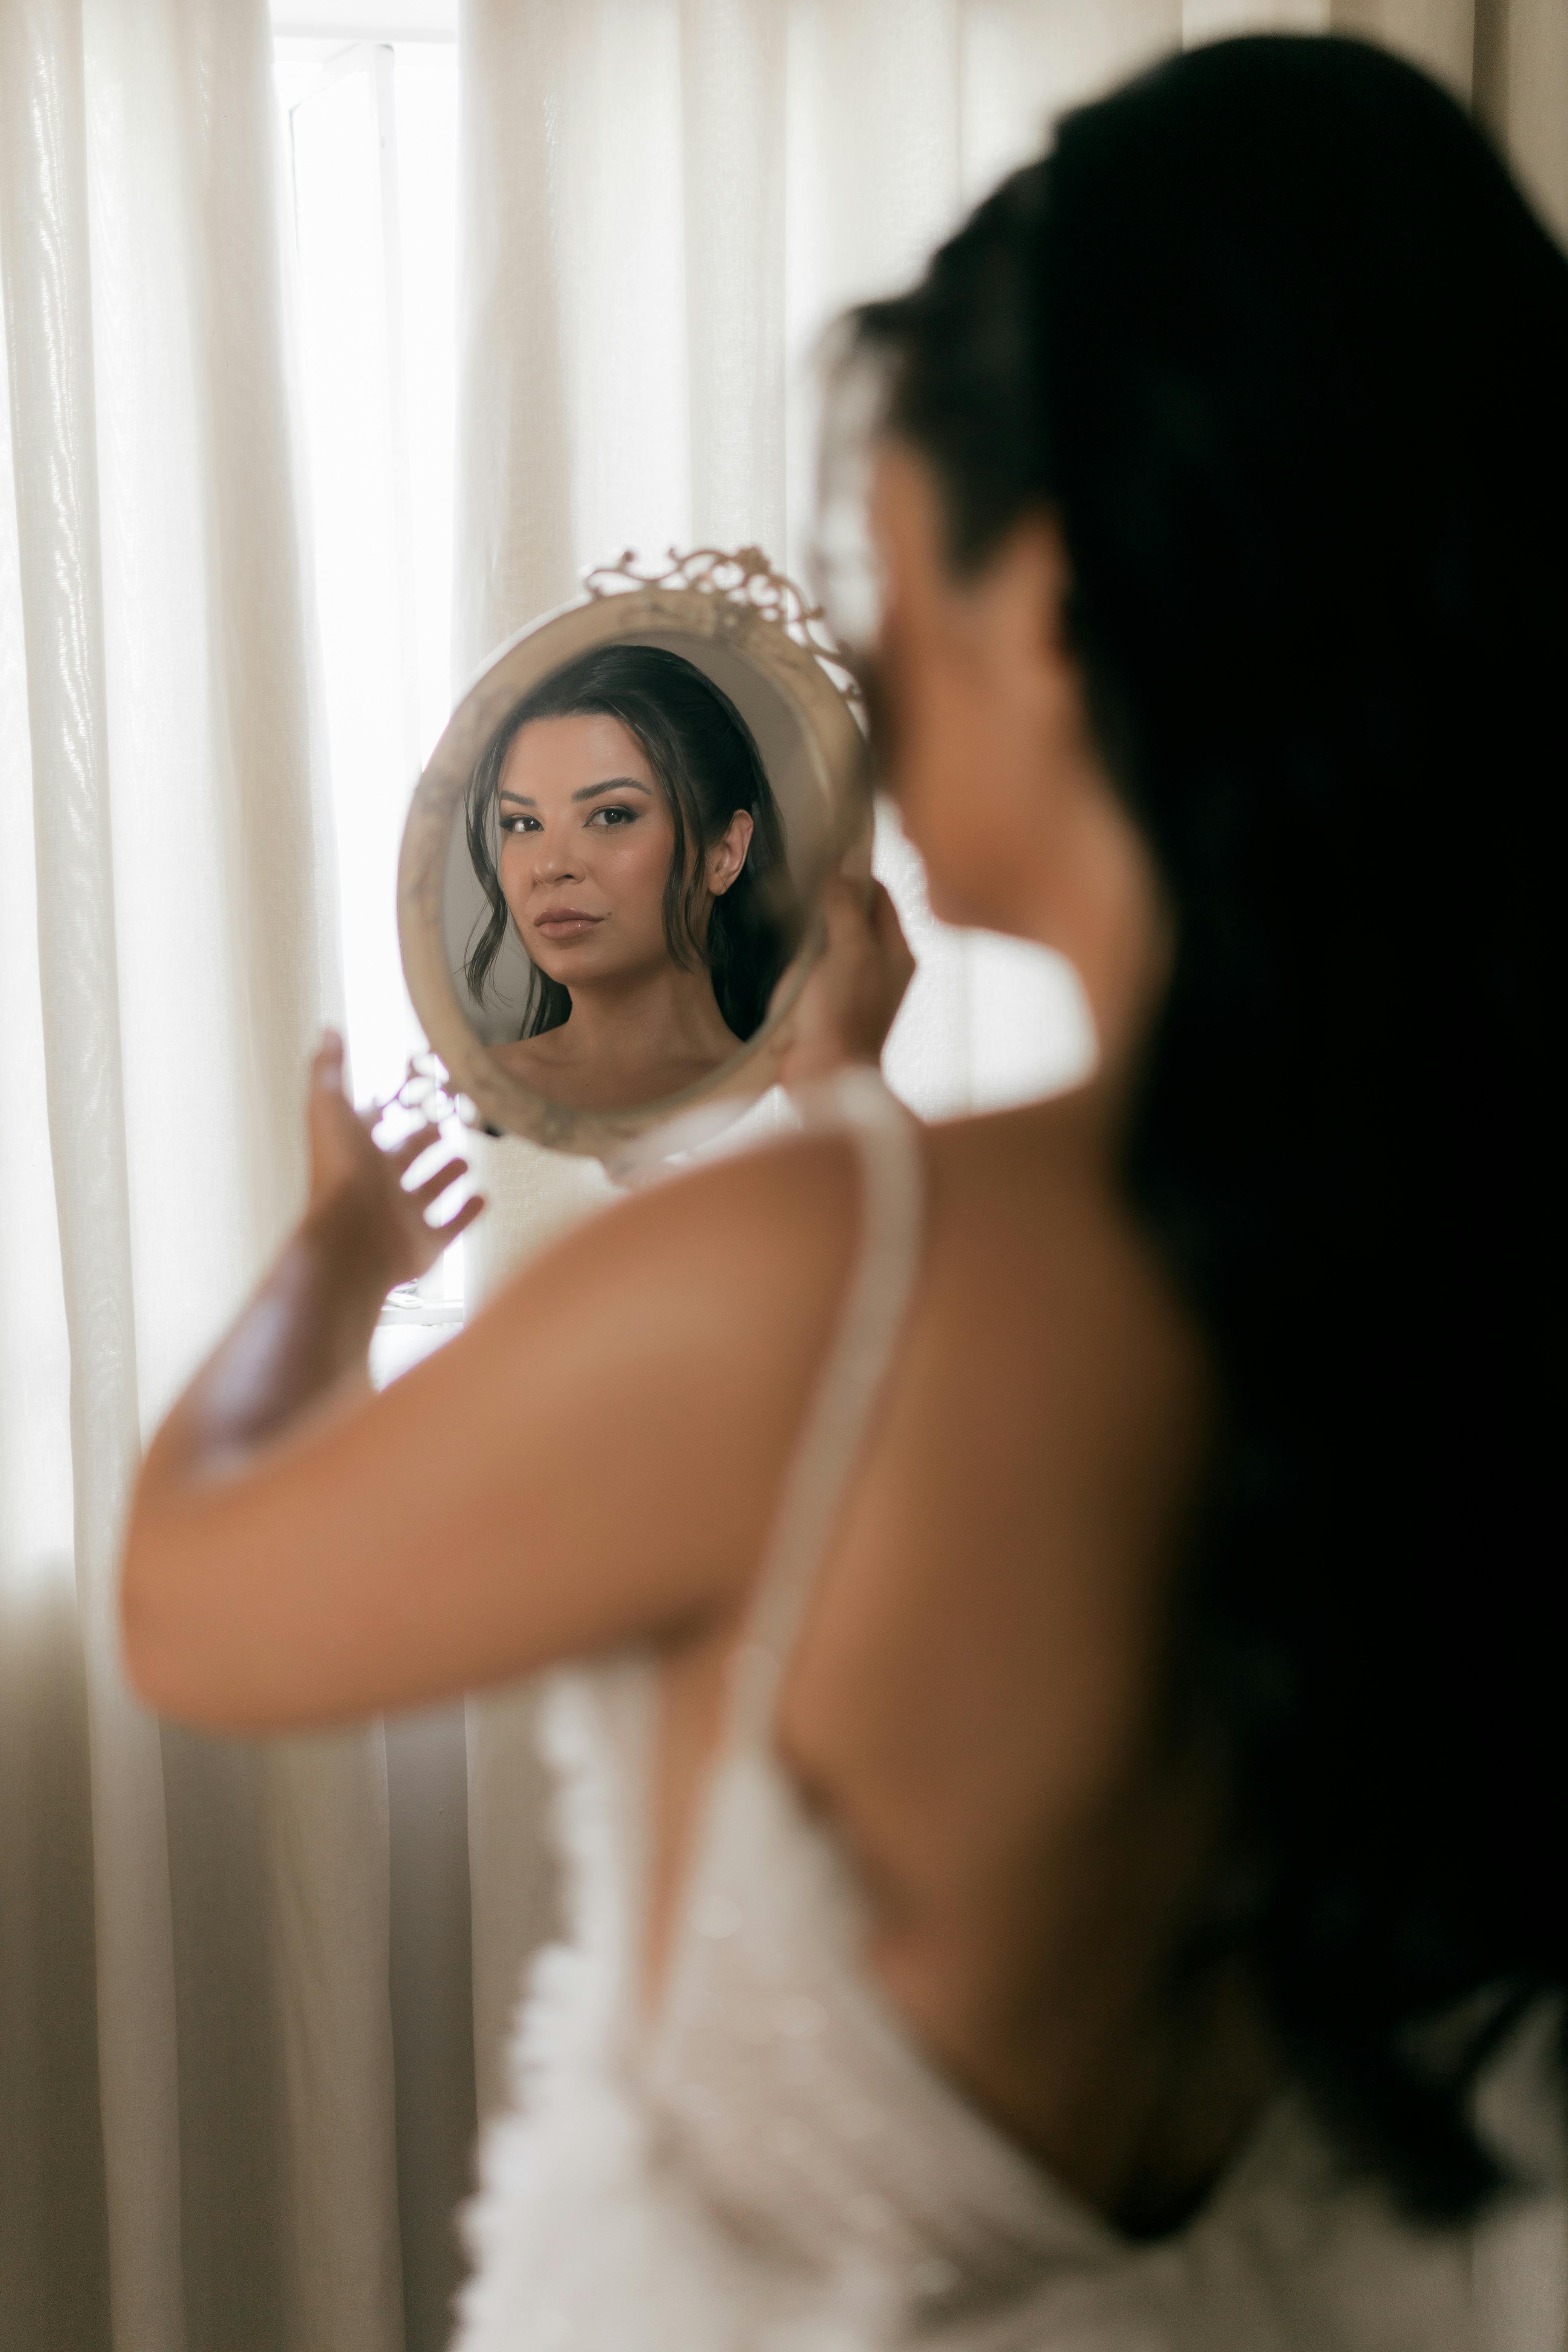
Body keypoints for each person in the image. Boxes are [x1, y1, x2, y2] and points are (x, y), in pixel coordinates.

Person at [121, 34, 1564, 2348]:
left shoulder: (830, 1279)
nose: (872, 686)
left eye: (893, 583)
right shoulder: (1450, 1271)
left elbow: (189, 1601)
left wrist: (331, 1259)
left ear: (1054, 600)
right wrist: (854, 1105)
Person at [463, 643, 796, 1113]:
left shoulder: (796, 1106)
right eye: (523, 824)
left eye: (611, 815)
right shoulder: (463, 1101)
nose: (549, 865)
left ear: (724, 853)